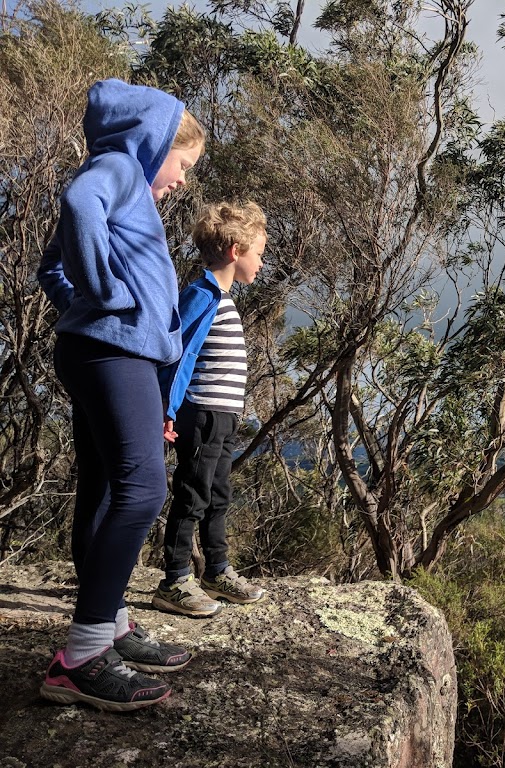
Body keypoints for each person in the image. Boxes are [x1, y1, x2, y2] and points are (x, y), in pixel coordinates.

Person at [36, 79, 204, 711]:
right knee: (144, 489)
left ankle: (110, 625)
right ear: (153, 141)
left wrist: (84, 300)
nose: (182, 180)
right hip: (115, 352)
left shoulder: (125, 183)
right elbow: (79, 204)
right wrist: (106, 296)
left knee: (105, 488)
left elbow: (51, 266)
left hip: (101, 348)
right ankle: (80, 657)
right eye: (183, 165)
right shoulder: (118, 170)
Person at [152, 201, 267, 618]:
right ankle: (175, 579)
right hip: (200, 415)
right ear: (236, 250)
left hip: (222, 417)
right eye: (259, 253)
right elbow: (179, 356)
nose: (261, 263)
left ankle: (216, 570)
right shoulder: (201, 296)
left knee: (218, 493)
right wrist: (167, 408)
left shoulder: (223, 299)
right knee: (192, 493)